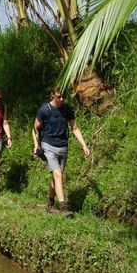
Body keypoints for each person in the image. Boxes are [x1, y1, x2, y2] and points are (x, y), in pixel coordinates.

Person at [32, 89, 91, 218]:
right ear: (53, 95)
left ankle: (50, 203)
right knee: (58, 174)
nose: (62, 99)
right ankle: (64, 208)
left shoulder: (66, 109)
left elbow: (74, 128)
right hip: (48, 146)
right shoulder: (44, 110)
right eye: (59, 96)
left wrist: (84, 145)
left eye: (63, 96)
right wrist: (37, 145)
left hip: (63, 147)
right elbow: (35, 128)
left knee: (56, 176)